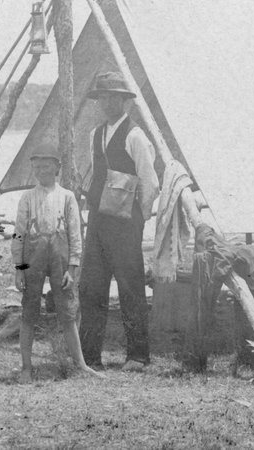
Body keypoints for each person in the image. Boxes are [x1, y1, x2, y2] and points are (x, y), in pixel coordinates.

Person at [79, 71, 160, 372]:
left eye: (114, 97)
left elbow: (150, 183)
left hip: (126, 223)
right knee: (91, 286)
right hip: (99, 221)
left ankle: (138, 356)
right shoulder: (95, 134)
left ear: (125, 101)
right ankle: (90, 356)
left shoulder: (135, 136)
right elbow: (96, 173)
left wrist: (140, 218)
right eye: (103, 97)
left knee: (130, 287)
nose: (107, 102)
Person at [14, 144, 102, 383]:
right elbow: (19, 234)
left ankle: (80, 364)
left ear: (57, 168)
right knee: (29, 310)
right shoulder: (27, 197)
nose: (42, 170)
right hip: (33, 256)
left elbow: (75, 235)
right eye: (37, 166)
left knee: (67, 311)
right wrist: (19, 270)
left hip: (60, 255)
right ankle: (26, 367)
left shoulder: (67, 197)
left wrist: (72, 268)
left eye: (47, 166)